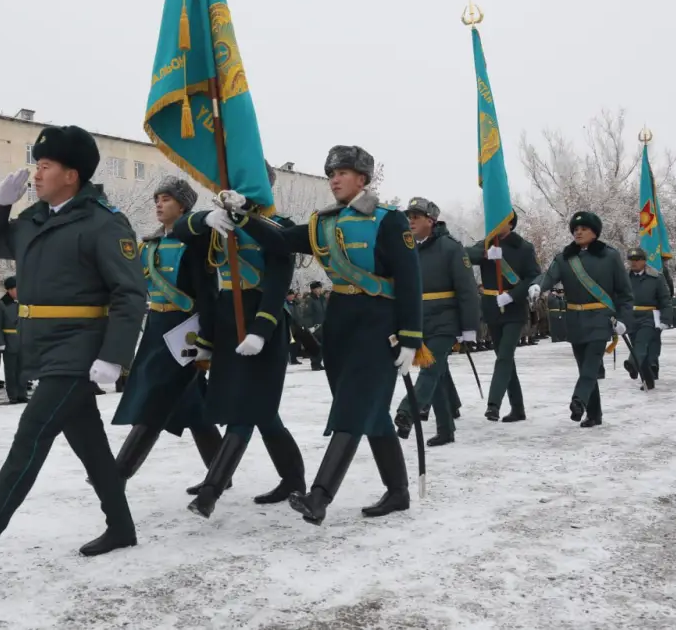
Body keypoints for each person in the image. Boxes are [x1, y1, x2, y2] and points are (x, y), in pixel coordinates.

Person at [0, 125, 144, 571]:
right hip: (44, 349)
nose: (36, 173)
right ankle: (122, 527)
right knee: (92, 447)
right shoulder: (34, 220)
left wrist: (114, 356)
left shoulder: (104, 223)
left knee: (29, 437)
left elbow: (129, 293)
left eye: (45, 166)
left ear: (72, 174)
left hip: (80, 350)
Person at [216, 145, 423, 525]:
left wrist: (411, 337)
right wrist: (242, 217)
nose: (334, 179)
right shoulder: (322, 222)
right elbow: (280, 239)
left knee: (351, 408)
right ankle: (398, 491)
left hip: (379, 323)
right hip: (340, 323)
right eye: (331, 173)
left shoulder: (388, 220)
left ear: (362, 178)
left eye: (342, 172)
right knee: (370, 412)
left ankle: (319, 495)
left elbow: (410, 281)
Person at [168, 161, 306, 518]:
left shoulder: (279, 227)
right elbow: (179, 230)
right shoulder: (220, 221)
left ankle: (211, 492)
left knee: (245, 411)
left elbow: (278, 282)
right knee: (262, 412)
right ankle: (293, 478)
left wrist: (261, 330)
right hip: (229, 320)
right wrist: (204, 220)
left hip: (263, 321)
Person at [111, 176, 225, 485]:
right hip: (157, 328)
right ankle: (220, 472)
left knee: (156, 398)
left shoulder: (198, 241)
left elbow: (208, 294)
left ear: (184, 205)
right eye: (157, 200)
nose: (159, 205)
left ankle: (118, 472)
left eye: (167, 200)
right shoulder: (149, 244)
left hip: (186, 331)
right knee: (192, 403)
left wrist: (207, 338)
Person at [529, 212, 632, 427]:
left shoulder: (610, 255)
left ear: (595, 232)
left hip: (600, 317)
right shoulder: (565, 257)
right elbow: (549, 276)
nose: (578, 232)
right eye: (576, 229)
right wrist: (539, 285)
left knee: (591, 364)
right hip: (575, 318)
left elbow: (624, 292)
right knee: (584, 365)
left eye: (584, 228)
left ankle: (579, 400)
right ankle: (594, 414)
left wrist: (623, 319)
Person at [394, 197, 479, 445]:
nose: (410, 221)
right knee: (438, 376)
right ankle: (445, 430)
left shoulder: (451, 248)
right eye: (408, 217)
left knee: (430, 370)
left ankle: (408, 411)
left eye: (416, 217)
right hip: (418, 322)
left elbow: (467, 290)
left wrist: (469, 328)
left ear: (430, 221)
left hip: (445, 321)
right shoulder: (407, 248)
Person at [466, 212, 541, 423]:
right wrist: (485, 254)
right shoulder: (486, 245)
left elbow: (533, 275)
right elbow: (464, 255)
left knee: (504, 356)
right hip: (491, 308)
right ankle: (518, 408)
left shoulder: (524, 247)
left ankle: (494, 404)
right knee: (506, 360)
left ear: (510, 222)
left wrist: (512, 295)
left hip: (513, 308)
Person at [624, 248, 673, 389]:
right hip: (631, 317)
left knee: (641, 343)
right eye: (631, 260)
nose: (634, 263)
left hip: (649, 317)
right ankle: (648, 380)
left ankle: (632, 363)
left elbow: (665, 299)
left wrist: (665, 319)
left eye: (637, 260)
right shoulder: (625, 277)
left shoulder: (656, 277)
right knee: (641, 350)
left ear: (644, 261)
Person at [0, 276, 27, 404]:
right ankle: (13, 395)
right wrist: (0, 342)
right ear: (9, 290)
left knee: (23, 369)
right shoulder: (1, 305)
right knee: (11, 370)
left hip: (23, 341)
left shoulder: (24, 304)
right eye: (16, 288)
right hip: (9, 341)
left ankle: (22, 393)